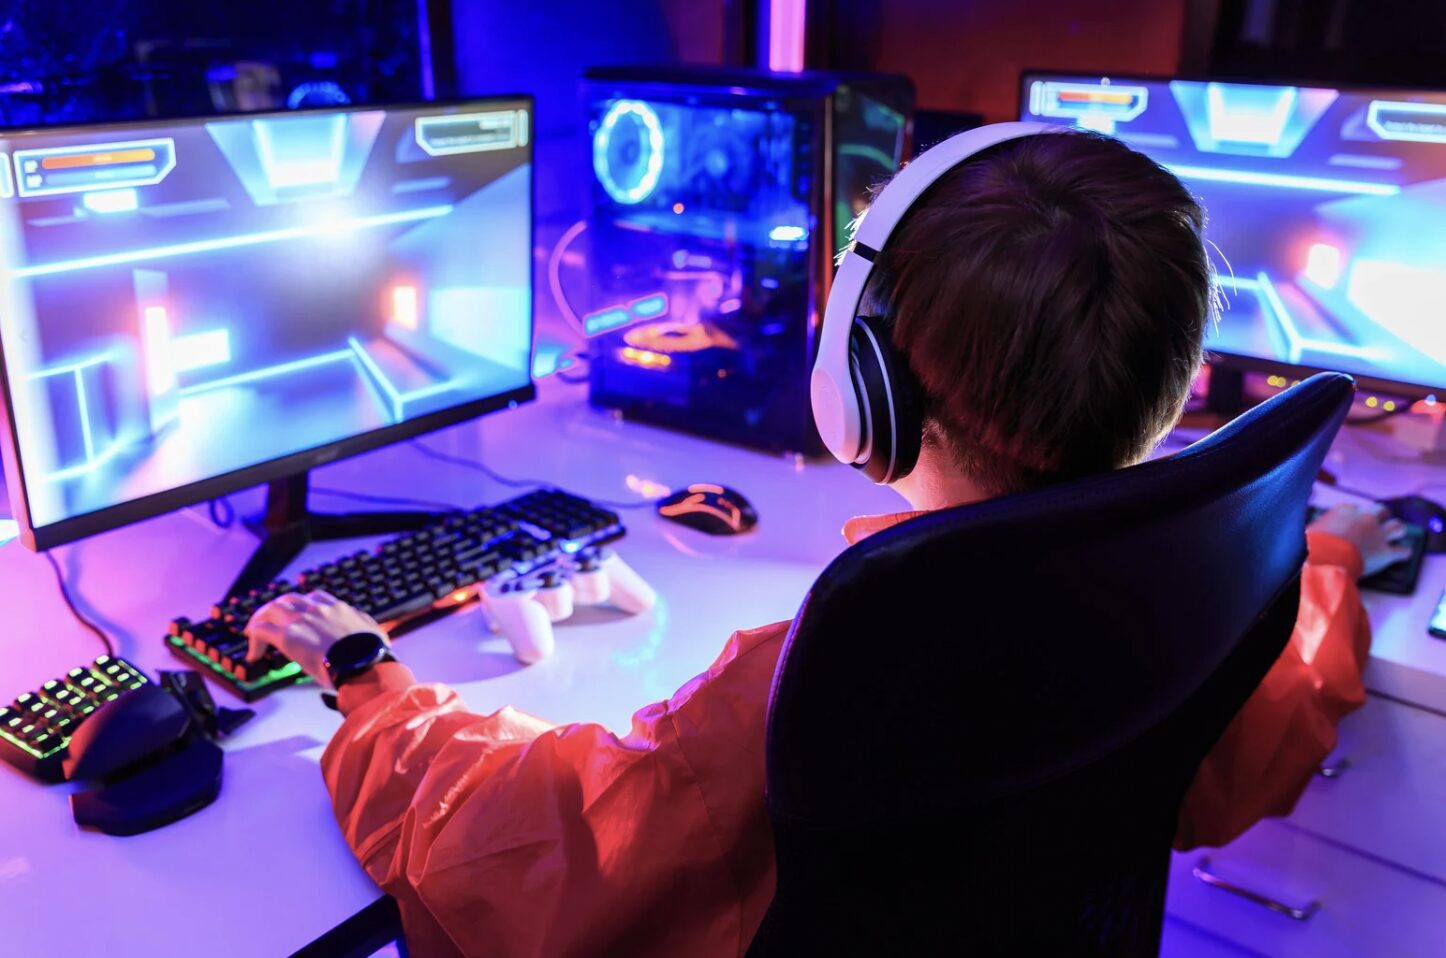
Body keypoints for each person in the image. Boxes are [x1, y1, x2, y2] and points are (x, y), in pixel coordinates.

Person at [245, 130, 1408, 957]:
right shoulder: (1187, 588)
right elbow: (1261, 731)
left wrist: (372, 682)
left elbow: (535, 854)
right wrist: (1326, 553)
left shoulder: (842, 670)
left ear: (866, 388)